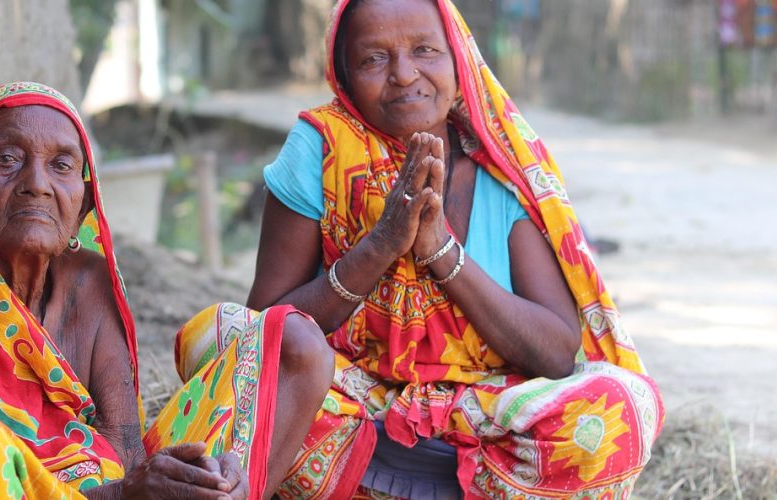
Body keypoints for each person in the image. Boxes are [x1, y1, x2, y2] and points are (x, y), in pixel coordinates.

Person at [0, 82, 333, 499]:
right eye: (7, 159)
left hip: (109, 488)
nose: (37, 183)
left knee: (295, 346)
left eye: (62, 166)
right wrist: (119, 494)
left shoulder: (89, 282)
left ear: (84, 203)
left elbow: (126, 449)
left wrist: (206, 472)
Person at [243, 0, 665, 497]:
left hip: (484, 424)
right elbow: (264, 330)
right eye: (374, 59)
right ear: (345, 78)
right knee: (221, 338)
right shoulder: (321, 148)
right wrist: (380, 246)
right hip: (348, 412)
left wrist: (441, 251)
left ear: (459, 58)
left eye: (425, 50)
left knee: (620, 406)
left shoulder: (501, 168)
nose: (404, 74)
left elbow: (555, 353)